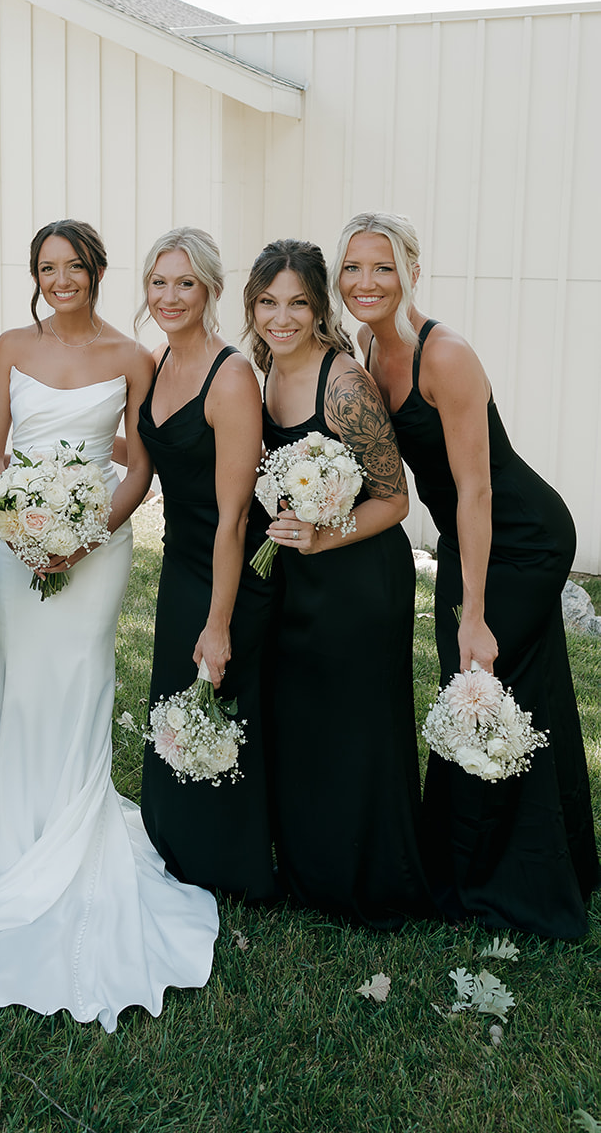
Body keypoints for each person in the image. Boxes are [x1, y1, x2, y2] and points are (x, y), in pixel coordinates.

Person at [0, 220, 218, 1032]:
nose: (58, 279)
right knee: (19, 677)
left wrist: (88, 530)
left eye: (73, 266)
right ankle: (14, 836)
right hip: (14, 541)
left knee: (79, 674)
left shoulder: (130, 356)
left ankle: (75, 823)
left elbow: (143, 461)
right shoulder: (8, 343)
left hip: (99, 541)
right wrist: (19, 523)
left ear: (98, 270)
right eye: (45, 267)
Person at [333, 211, 599, 938]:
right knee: (498, 689)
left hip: (517, 534)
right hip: (467, 537)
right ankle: (516, 861)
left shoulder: (442, 355)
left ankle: (503, 882)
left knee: (482, 685)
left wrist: (472, 609)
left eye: (381, 267)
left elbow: (475, 487)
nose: (365, 281)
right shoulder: (365, 344)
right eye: (352, 268)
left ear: (411, 271)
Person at [244, 239, 430, 927]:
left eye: (296, 302)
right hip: (301, 577)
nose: (281, 316)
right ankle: (309, 868)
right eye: (267, 302)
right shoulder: (264, 368)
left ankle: (370, 876)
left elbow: (393, 499)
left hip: (356, 578)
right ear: (252, 306)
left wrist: (324, 534)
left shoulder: (343, 383)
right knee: (305, 723)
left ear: (318, 307)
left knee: (356, 730)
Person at [135, 227, 277, 897]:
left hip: (228, 570)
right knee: (174, 705)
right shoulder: (156, 364)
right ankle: (173, 844)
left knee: (214, 699)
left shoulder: (230, 377)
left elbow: (235, 517)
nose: (169, 296)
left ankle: (224, 864)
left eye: (184, 283)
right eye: (158, 282)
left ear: (211, 290)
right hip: (176, 563)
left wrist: (218, 622)